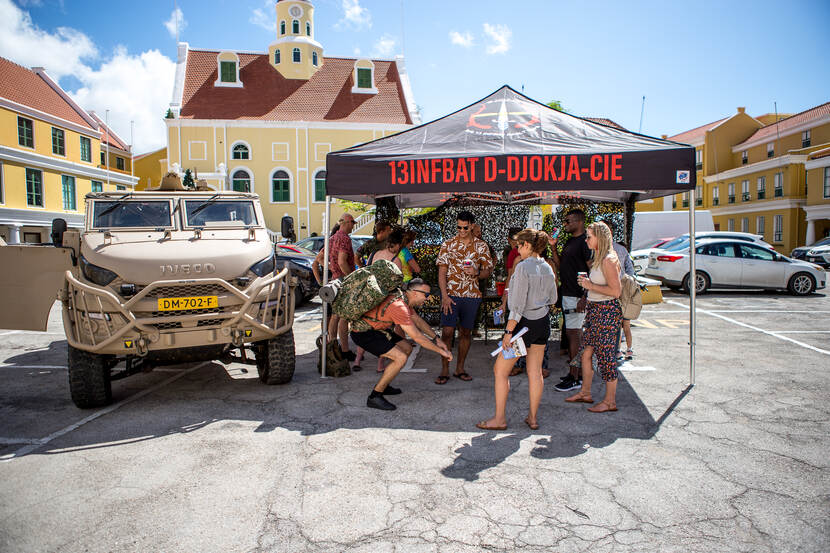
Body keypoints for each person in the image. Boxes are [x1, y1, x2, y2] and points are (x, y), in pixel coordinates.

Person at [476, 229, 557, 431]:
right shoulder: (547, 267)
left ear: (527, 245)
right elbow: (554, 299)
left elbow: (518, 306)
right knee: (535, 371)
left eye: (519, 244)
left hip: (521, 327)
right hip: (541, 324)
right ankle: (533, 418)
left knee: (500, 370)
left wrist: (508, 332)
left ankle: (499, 418)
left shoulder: (522, 267)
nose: (517, 248)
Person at [350, 279, 453, 410]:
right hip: (364, 333)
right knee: (400, 358)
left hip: (379, 329)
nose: (427, 299)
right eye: (426, 295)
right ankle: (375, 396)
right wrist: (441, 351)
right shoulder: (399, 306)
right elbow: (417, 337)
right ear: (415, 292)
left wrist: (436, 338)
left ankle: (385, 383)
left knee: (407, 348)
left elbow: (418, 321)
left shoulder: (404, 298)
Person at [566, 222, 623, 413]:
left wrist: (591, 286)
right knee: (586, 353)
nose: (586, 239)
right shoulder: (600, 257)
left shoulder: (608, 259)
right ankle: (585, 392)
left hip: (606, 311)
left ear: (600, 237)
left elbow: (616, 291)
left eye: (589, 236)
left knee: (606, 356)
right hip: (595, 310)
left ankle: (610, 401)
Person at [435, 211, 493, 384]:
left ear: (472, 226)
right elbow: (442, 272)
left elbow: (488, 271)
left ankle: (460, 368)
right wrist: (444, 296)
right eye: (459, 227)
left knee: (466, 332)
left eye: (465, 227)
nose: (461, 230)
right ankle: (444, 369)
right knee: (447, 332)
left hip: (472, 295)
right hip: (451, 295)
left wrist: (477, 272)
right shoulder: (448, 244)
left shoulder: (481, 246)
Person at [549, 209, 592, 392]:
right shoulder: (570, 241)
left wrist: (585, 296)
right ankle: (575, 374)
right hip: (568, 294)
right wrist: (553, 246)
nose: (565, 224)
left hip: (577, 296)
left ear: (579, 221)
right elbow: (560, 265)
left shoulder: (584, 243)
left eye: (568, 221)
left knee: (575, 337)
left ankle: (575, 377)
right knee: (571, 336)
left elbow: (592, 271)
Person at [604, 220, 636, 361]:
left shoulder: (605, 250)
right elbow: (630, 269)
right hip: (621, 291)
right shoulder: (621, 249)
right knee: (622, 323)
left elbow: (629, 268)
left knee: (615, 323)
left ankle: (616, 350)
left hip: (609, 292)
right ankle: (623, 349)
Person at [328, 213, 357, 361]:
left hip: (334, 280)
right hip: (344, 280)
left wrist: (333, 271)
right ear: (346, 222)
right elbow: (341, 261)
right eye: (353, 222)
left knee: (335, 316)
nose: (354, 225)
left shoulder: (332, 238)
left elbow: (320, 258)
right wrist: (352, 277)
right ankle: (345, 350)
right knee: (344, 318)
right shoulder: (344, 238)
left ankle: (331, 347)